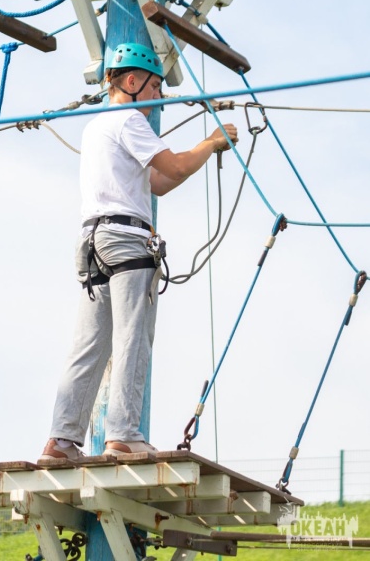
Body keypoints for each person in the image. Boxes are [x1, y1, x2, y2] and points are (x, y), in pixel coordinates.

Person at [39, 43, 238, 463]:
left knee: (90, 344)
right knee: (133, 336)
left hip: (93, 242)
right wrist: (211, 143)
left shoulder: (97, 128)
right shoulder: (130, 119)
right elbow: (175, 167)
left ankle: (61, 440)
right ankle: (124, 434)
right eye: (154, 87)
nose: (158, 97)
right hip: (127, 241)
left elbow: (159, 182)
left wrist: (204, 152)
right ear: (131, 81)